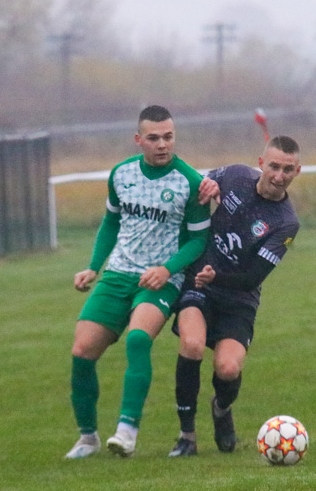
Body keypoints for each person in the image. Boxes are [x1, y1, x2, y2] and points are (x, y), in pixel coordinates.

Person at [64, 105, 212, 459]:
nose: (163, 144)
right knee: (82, 352)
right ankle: (87, 438)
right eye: (154, 138)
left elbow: (197, 240)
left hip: (162, 279)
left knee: (137, 339)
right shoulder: (121, 174)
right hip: (118, 273)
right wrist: (93, 267)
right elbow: (111, 222)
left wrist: (166, 268)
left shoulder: (191, 183)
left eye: (169, 137)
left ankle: (126, 432)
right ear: (138, 140)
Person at [167, 136, 301, 457]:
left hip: (239, 299)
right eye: (273, 166)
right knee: (192, 345)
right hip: (199, 285)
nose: (278, 175)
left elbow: (253, 277)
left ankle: (222, 409)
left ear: (298, 171)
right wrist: (209, 186)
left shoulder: (286, 223)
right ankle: (187, 435)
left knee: (227, 368)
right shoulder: (237, 176)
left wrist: (218, 275)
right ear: (260, 163)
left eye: (287, 169)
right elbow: (202, 181)